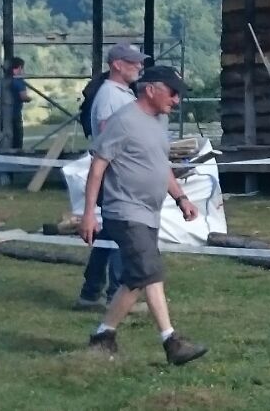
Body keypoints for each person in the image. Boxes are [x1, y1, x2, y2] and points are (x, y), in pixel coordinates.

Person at [81, 65, 208, 365]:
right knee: (151, 271)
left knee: (136, 278)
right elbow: (98, 166)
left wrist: (181, 198)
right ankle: (171, 342)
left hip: (149, 213)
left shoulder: (159, 121)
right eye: (172, 93)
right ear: (151, 89)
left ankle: (103, 335)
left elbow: (160, 165)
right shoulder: (123, 121)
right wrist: (89, 213)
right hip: (124, 211)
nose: (176, 101)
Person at [75, 43, 150, 311]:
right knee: (123, 235)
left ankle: (90, 291)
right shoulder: (110, 96)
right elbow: (110, 133)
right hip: (118, 173)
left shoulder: (120, 93)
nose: (139, 66)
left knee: (109, 233)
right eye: (134, 62)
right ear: (117, 64)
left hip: (120, 171)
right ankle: (116, 297)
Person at [0, 56, 31, 151]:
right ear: (19, 67)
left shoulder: (1, 81)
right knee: (17, 136)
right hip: (15, 112)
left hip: (3, 112)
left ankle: (5, 151)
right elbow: (23, 97)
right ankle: (17, 153)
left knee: (5, 134)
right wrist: (30, 99)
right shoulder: (19, 81)